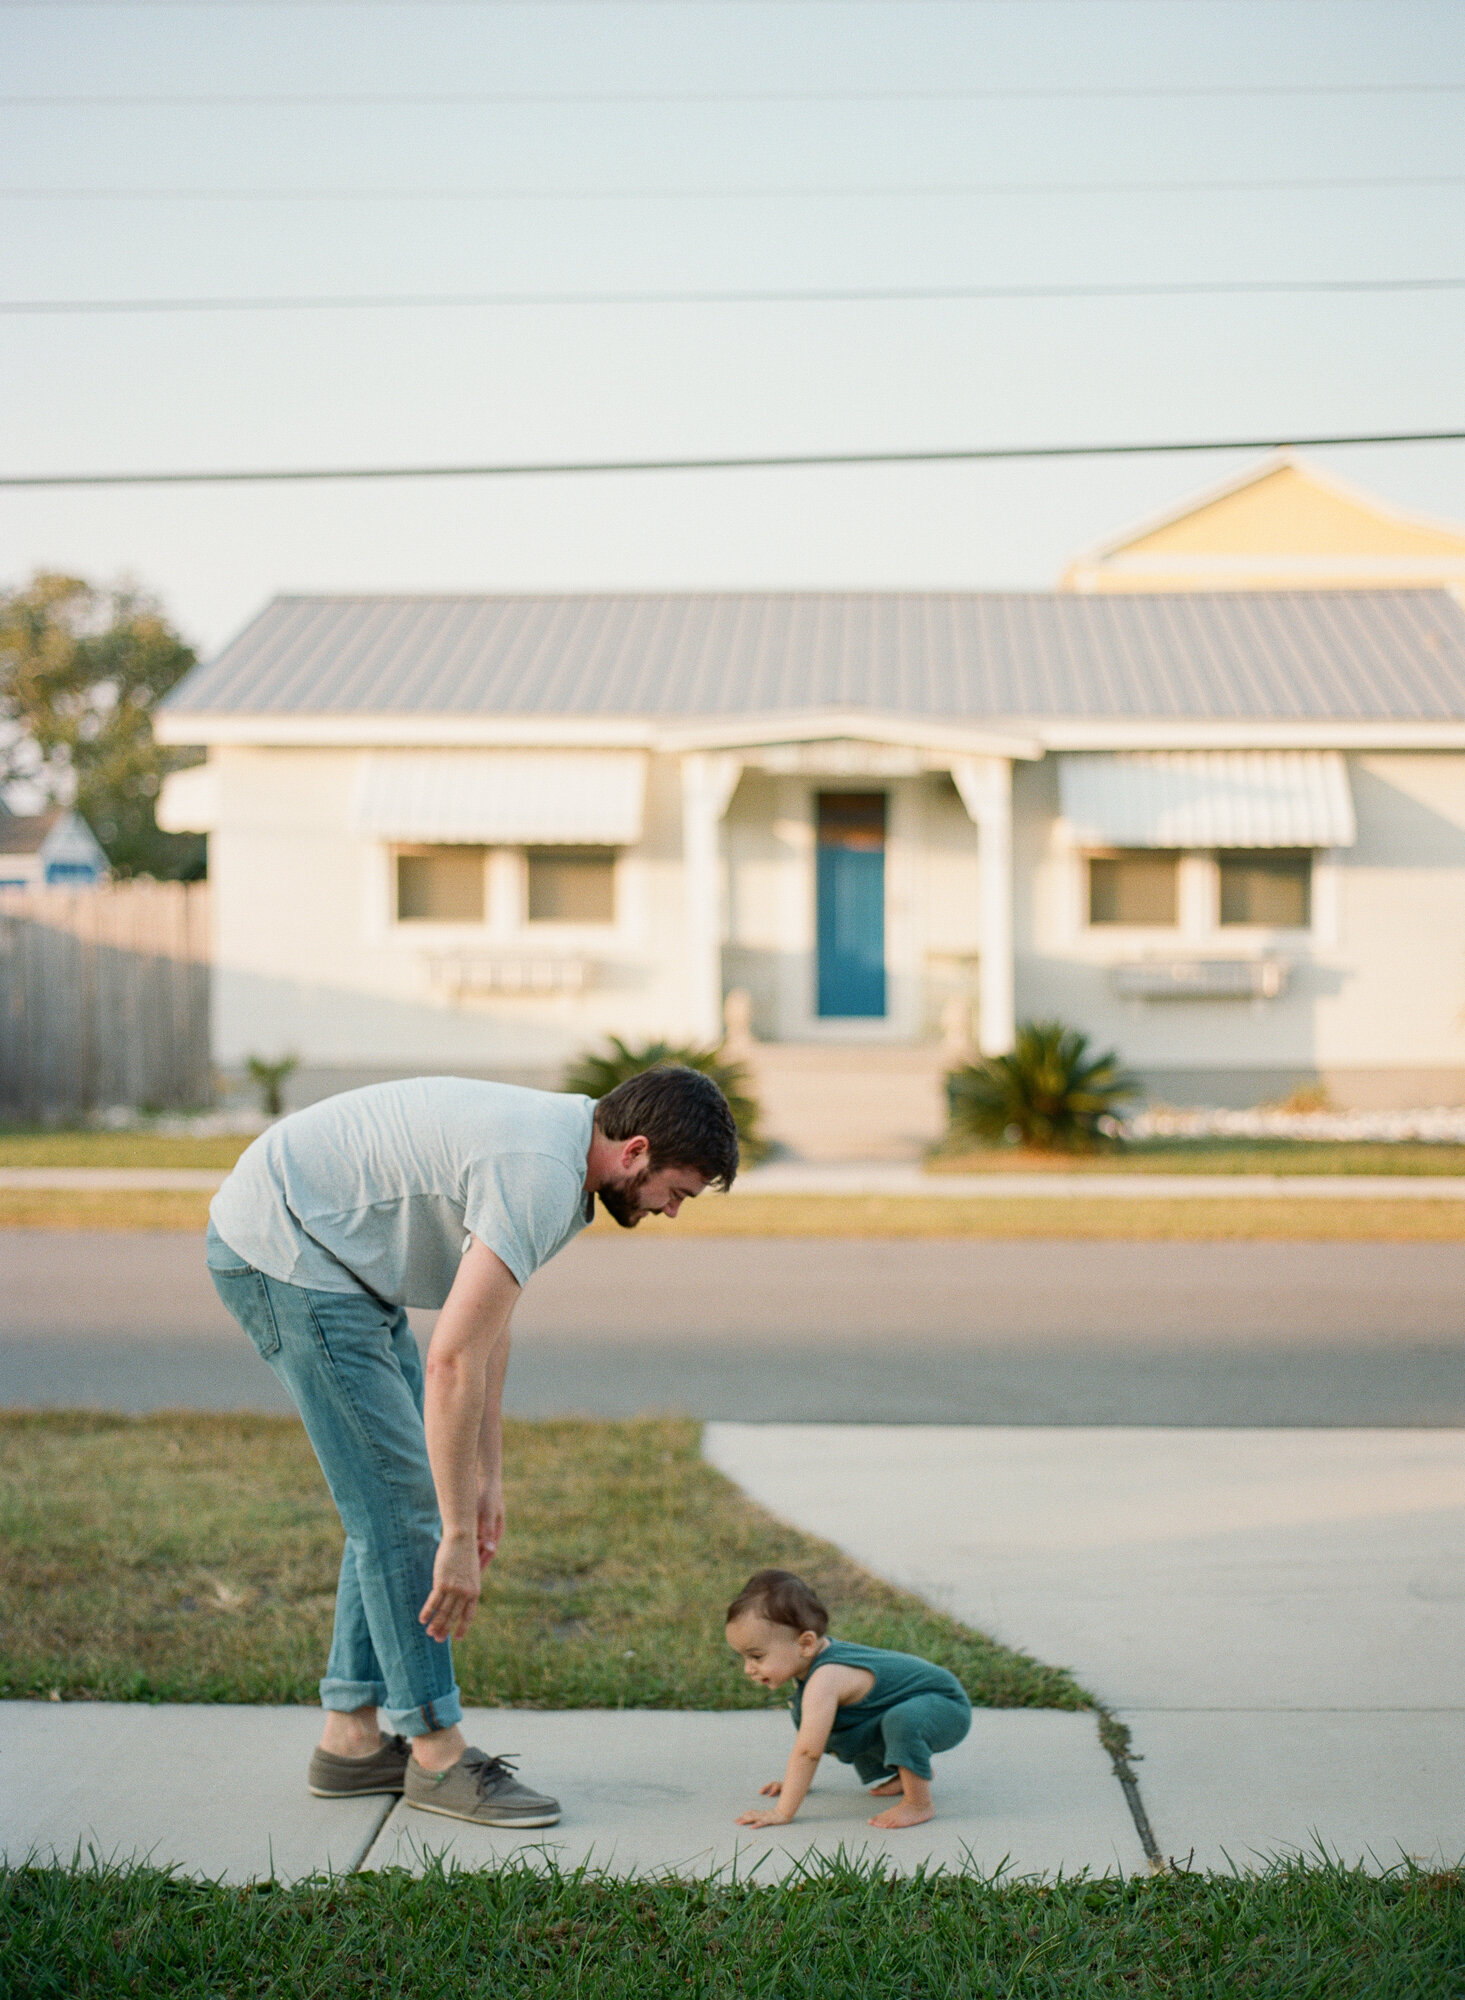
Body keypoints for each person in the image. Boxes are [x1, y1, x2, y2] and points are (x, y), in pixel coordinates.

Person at [206, 1065, 738, 1827]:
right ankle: (435, 1752)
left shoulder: (564, 1157)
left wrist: (487, 1476)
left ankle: (352, 1741)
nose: (672, 1211)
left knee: (394, 1498)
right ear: (636, 1151)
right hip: (287, 1251)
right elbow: (449, 1362)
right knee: (400, 1510)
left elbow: (487, 1331)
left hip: (334, 1255)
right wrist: (455, 1536)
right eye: (676, 1192)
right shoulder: (540, 1171)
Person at [725, 1569, 971, 1831]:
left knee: (901, 1721)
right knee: (835, 1720)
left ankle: (919, 1803)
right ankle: (911, 1771)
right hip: (914, 1704)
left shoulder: (826, 1677)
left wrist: (782, 1811)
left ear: (806, 1643)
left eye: (757, 1657)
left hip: (946, 1706)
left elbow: (809, 1751)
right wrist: (795, 1784)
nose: (748, 1669)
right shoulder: (809, 1662)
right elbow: (814, 1735)